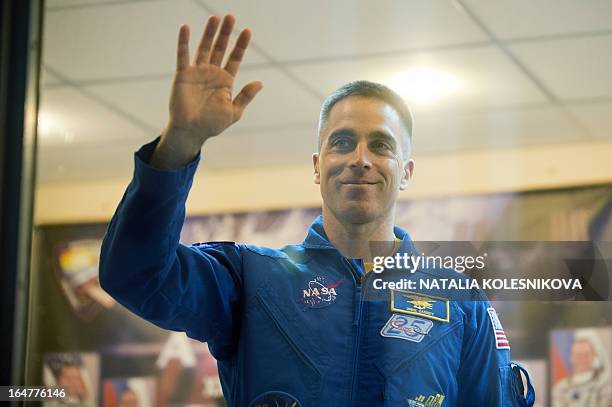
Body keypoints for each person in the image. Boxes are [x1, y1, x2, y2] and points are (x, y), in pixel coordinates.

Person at [99, 14, 535, 407]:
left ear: (406, 172)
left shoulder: (461, 303)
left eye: (380, 145)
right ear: (317, 165)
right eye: (342, 142)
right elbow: (136, 275)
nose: (360, 158)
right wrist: (179, 143)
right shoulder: (249, 280)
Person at [552, 336, 612, 407]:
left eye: (586, 354)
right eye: (578, 355)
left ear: (593, 356)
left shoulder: (605, 384)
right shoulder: (560, 388)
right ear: (571, 357)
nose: (582, 359)